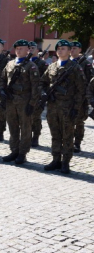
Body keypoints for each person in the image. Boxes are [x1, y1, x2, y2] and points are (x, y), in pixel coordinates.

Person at [41, 40, 86, 174]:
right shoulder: (52, 67)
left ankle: (65, 162)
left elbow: (81, 90)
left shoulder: (75, 68)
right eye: (59, 49)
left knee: (67, 136)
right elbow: (43, 82)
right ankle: (56, 159)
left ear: (69, 51)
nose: (61, 51)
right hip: (53, 107)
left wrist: (75, 108)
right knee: (55, 135)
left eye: (64, 48)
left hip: (68, 108)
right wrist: (45, 94)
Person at [0, 40, 41, 165]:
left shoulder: (31, 66)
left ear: (28, 50)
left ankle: (22, 153)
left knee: (25, 128)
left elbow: (36, 87)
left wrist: (32, 104)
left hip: (24, 102)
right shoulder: (10, 64)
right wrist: (1, 90)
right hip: (10, 101)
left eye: (21, 48)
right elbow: (2, 78)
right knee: (12, 127)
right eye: (17, 48)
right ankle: (14, 150)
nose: (18, 50)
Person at [70, 42, 92, 153]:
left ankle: (77, 143)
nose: (72, 50)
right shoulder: (66, 62)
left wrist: (86, 97)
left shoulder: (86, 64)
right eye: (71, 48)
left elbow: (90, 82)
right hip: (67, 98)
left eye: (74, 48)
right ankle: (67, 141)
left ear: (80, 50)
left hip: (80, 99)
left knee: (78, 122)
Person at [28, 41, 48, 146]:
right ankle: (27, 136)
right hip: (26, 94)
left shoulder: (42, 63)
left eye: (32, 48)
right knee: (26, 117)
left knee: (35, 117)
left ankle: (35, 137)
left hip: (38, 94)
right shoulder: (25, 62)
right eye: (29, 48)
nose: (30, 49)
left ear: (37, 50)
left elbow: (46, 80)